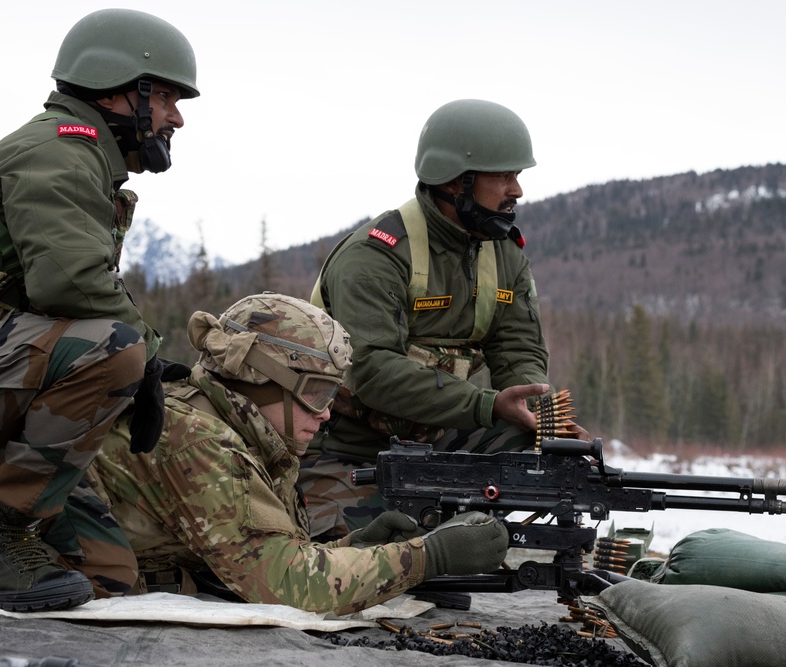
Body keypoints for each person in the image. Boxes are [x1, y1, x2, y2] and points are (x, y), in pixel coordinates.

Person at [0, 9, 198, 612]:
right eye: (170, 97)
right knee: (112, 349)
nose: (177, 117)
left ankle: (2, 526)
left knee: (106, 574)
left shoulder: (84, 159)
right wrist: (143, 356)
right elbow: (69, 282)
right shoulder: (56, 151)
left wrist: (150, 361)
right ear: (119, 88)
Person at [91, 293, 509, 615]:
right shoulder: (199, 442)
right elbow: (287, 586)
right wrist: (428, 557)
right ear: (259, 380)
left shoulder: (241, 432)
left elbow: (276, 554)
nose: (327, 413)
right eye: (315, 392)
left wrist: (358, 546)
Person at [303, 99, 587, 539]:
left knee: (537, 456)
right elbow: (374, 370)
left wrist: (538, 415)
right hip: (346, 446)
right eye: (504, 176)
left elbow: (517, 350)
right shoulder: (377, 255)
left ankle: (456, 530)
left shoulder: (504, 254)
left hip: (438, 440)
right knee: (365, 561)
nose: (517, 191)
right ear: (456, 181)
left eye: (518, 176)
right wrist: (485, 405)